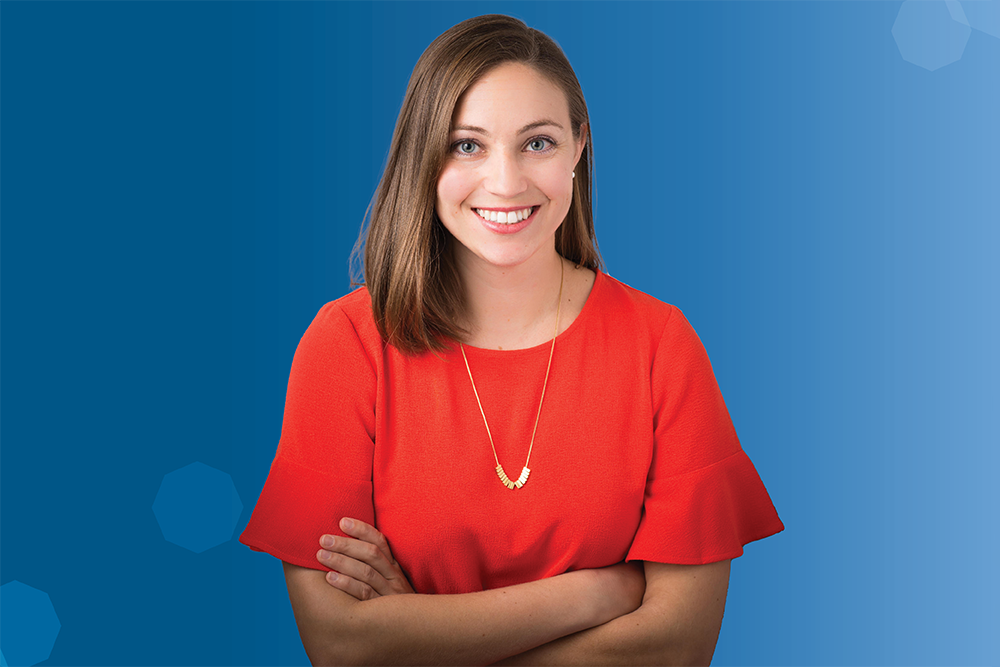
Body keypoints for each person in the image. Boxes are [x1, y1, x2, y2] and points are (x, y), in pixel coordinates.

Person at [239, 14, 783, 667]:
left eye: (539, 143)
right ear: (424, 156)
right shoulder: (346, 344)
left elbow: (676, 645)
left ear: (579, 148)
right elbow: (342, 643)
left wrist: (420, 633)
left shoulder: (660, 345)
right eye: (467, 145)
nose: (505, 182)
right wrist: (596, 593)